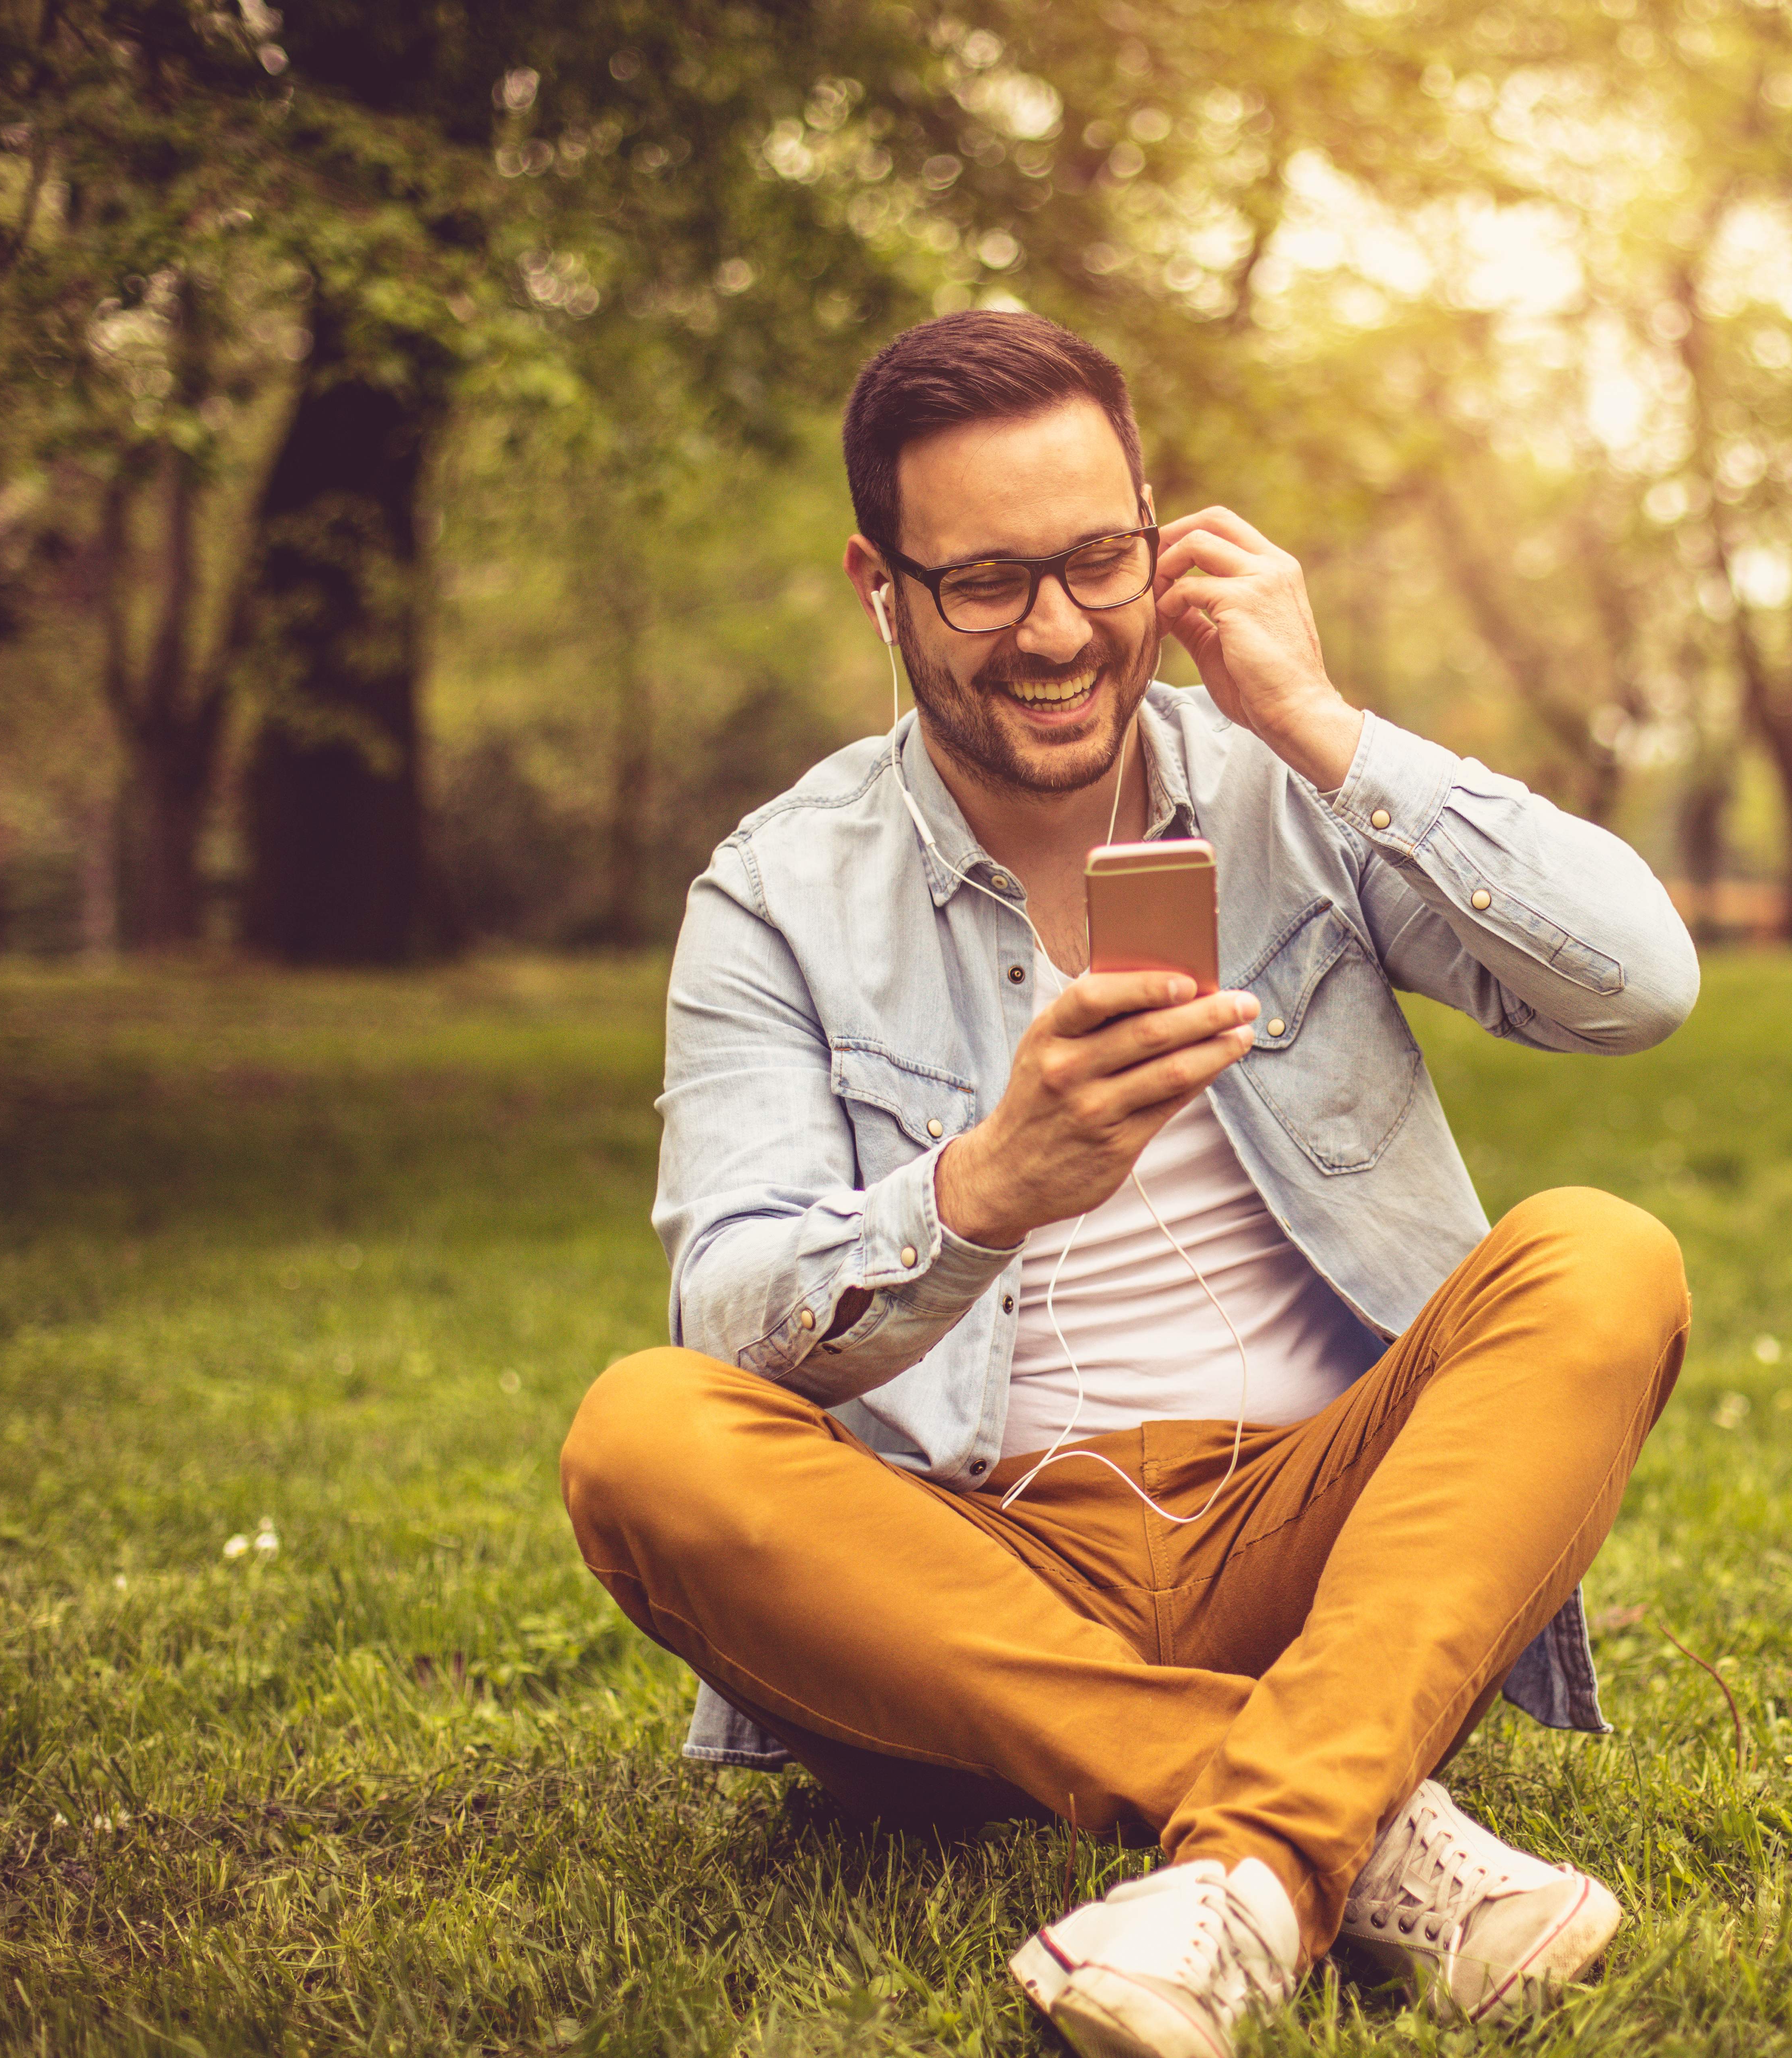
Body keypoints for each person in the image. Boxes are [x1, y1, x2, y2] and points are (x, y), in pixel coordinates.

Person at [560, 310, 1698, 2058]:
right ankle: (1340, 1823)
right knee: (641, 1433)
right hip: (971, 1576)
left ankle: (1241, 1856)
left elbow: (1636, 983)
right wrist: (979, 1192)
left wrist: (1320, 719)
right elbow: (732, 1310)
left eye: (1099, 559)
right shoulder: (775, 892)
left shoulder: (1292, 783)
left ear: (1162, 541)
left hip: (1318, 1542)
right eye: (986, 581)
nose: (1057, 629)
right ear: (882, 585)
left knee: (1599, 1258)